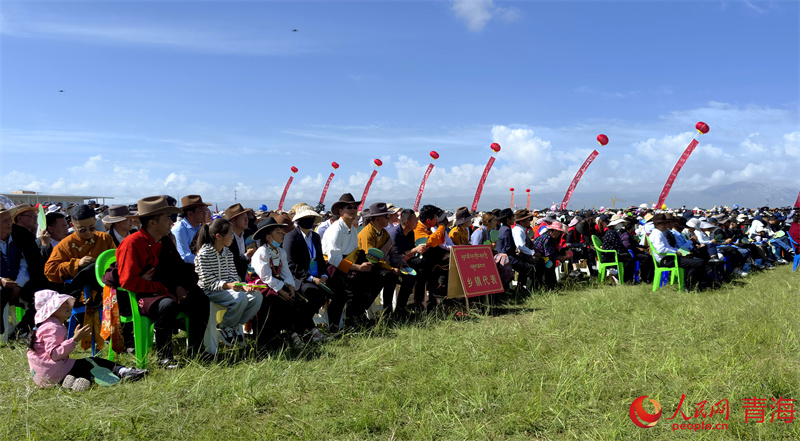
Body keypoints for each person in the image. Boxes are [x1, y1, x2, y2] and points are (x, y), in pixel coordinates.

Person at [116, 196, 210, 367]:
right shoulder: (132, 243)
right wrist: (162, 288)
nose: (171, 222)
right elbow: (128, 281)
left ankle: (196, 351)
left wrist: (180, 285)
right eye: (167, 218)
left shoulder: (164, 241)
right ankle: (164, 357)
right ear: (152, 223)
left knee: (200, 298)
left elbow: (179, 267)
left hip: (165, 289)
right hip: (142, 296)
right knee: (167, 305)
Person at [27, 289, 147, 391]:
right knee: (92, 362)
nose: (67, 305)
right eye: (60, 304)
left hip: (43, 378)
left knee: (82, 368)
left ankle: (71, 382)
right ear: (50, 311)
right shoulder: (53, 327)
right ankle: (124, 372)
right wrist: (74, 339)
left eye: (65, 302)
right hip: (56, 371)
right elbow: (55, 354)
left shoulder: (46, 326)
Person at [193, 218, 262, 347]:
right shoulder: (204, 254)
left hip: (228, 291)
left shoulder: (227, 253)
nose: (232, 237)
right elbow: (208, 282)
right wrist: (230, 286)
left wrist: (242, 286)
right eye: (230, 234)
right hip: (211, 292)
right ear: (218, 236)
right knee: (239, 297)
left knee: (256, 296)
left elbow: (232, 276)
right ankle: (225, 327)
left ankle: (232, 325)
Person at [250, 218, 318, 346]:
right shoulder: (262, 252)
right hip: (263, 285)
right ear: (268, 236)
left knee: (299, 301)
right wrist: (282, 291)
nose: (283, 234)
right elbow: (265, 277)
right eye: (278, 232)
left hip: (277, 283)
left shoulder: (280, 251)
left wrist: (291, 288)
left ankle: (298, 332)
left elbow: (286, 272)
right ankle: (283, 336)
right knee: (281, 302)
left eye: (282, 232)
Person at [321, 193, 380, 328]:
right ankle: (335, 324)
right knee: (342, 291)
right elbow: (333, 258)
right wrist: (357, 268)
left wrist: (365, 262)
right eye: (349, 207)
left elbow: (355, 251)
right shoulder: (335, 230)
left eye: (355, 207)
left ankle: (354, 315)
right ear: (341, 211)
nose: (353, 210)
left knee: (376, 277)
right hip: (331, 268)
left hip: (347, 265)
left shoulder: (352, 229)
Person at [282, 206, 339, 340]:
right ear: (298, 221)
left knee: (338, 292)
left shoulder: (315, 236)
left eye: (310, 218)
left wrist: (324, 275)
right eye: (305, 219)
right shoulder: (291, 237)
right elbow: (291, 264)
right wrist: (311, 278)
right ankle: (305, 328)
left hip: (318, 276)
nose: (308, 221)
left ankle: (324, 326)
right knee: (316, 295)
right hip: (299, 278)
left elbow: (319, 258)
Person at [357, 202, 408, 317]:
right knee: (387, 277)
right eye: (386, 216)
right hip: (364, 268)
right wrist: (390, 268)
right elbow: (370, 257)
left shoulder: (383, 232)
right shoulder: (367, 233)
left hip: (378, 267)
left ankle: (391, 312)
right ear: (378, 219)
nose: (388, 218)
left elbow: (392, 252)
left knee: (400, 277)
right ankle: (359, 313)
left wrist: (401, 265)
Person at [648, 213, 710, 290]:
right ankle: (688, 285)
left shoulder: (659, 233)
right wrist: (676, 252)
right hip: (667, 259)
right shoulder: (656, 234)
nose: (666, 225)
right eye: (664, 223)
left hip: (669, 257)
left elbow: (668, 247)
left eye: (666, 223)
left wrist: (680, 251)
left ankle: (703, 284)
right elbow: (660, 249)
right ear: (657, 224)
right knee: (697, 263)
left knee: (698, 261)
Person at [387, 208, 428, 312]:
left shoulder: (410, 232)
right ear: (407, 222)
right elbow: (396, 256)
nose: (417, 223)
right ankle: (400, 309)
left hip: (406, 261)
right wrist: (414, 250)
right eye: (415, 221)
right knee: (410, 277)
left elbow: (409, 253)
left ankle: (418, 303)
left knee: (424, 268)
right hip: (393, 263)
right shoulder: (395, 234)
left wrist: (418, 251)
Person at [172, 195, 212, 263]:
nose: (204, 213)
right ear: (190, 213)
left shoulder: (201, 227)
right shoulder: (179, 229)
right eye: (201, 211)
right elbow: (184, 256)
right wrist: (208, 260)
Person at [224, 204, 256, 281]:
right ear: (232, 220)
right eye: (243, 218)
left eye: (247, 218)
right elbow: (230, 263)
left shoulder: (249, 234)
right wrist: (247, 255)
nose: (246, 220)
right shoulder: (225, 238)